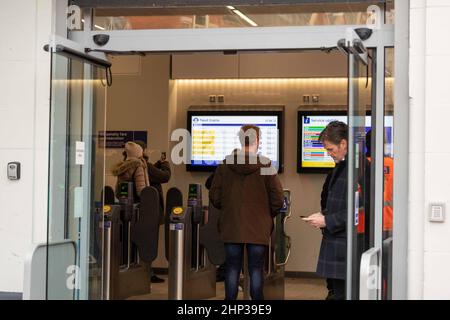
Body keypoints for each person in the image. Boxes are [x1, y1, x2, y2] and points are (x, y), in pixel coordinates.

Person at [209, 125, 284, 300]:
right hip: (258, 227)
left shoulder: (225, 165)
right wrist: (267, 214)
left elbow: (215, 195)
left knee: (232, 268)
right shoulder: (265, 165)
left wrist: (228, 210)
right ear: (257, 141)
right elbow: (278, 198)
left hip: (231, 225)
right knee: (256, 269)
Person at [303, 121, 348, 300]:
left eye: (330, 149)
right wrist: (323, 215)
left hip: (344, 248)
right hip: (337, 246)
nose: (329, 154)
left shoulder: (358, 170)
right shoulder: (341, 168)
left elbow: (360, 211)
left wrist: (327, 221)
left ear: (343, 144)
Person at [134, 140, 171, 284]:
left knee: (138, 241)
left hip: (136, 211)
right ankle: (147, 273)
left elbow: (151, 175)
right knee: (149, 241)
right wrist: (165, 164)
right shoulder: (143, 166)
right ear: (141, 151)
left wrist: (157, 165)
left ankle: (141, 271)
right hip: (149, 210)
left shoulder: (129, 164)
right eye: (146, 149)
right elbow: (165, 176)